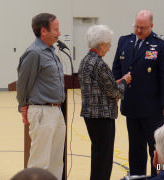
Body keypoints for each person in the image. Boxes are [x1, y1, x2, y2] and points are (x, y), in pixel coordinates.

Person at [112, 10, 164, 178]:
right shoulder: (124, 41)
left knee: (156, 149)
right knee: (135, 148)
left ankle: (158, 177)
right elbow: (116, 69)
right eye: (136, 27)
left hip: (152, 108)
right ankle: (136, 176)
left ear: (151, 26)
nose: (138, 31)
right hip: (131, 105)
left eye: (143, 27)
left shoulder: (162, 44)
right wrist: (116, 93)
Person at [78, 25, 131, 180]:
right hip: (102, 116)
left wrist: (116, 83)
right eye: (108, 45)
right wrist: (125, 81)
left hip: (90, 115)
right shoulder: (100, 64)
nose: (109, 49)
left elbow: (99, 86)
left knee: (98, 155)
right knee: (104, 159)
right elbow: (115, 92)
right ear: (101, 44)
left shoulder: (85, 61)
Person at [16, 13, 66, 180]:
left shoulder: (51, 50)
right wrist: (23, 107)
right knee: (39, 163)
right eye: (56, 29)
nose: (59, 33)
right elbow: (22, 84)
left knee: (57, 162)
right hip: (42, 112)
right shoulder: (33, 53)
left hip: (57, 112)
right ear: (43, 31)